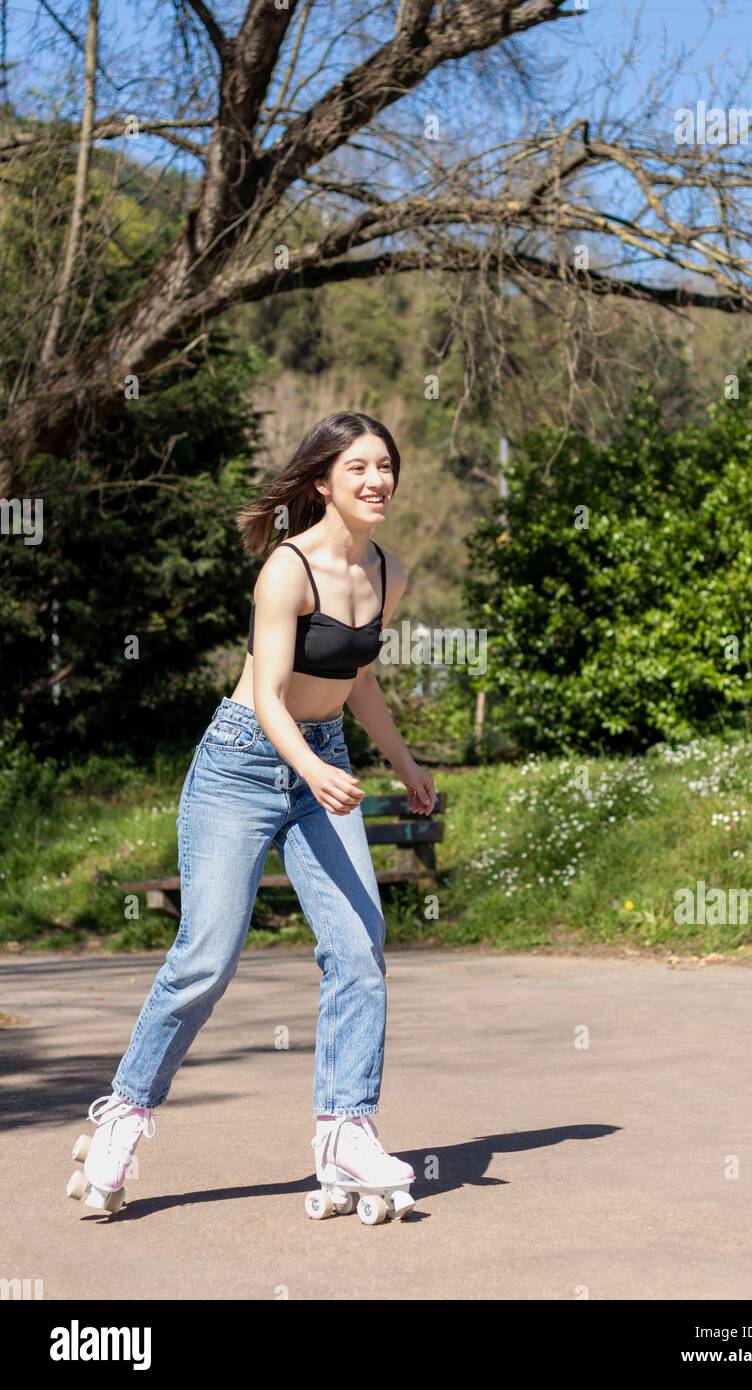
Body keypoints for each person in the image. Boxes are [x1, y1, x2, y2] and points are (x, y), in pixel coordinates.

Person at [66, 411, 436, 1224]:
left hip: (324, 763)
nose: (378, 481)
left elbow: (358, 679)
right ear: (321, 483)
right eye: (359, 469)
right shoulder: (286, 570)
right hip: (241, 765)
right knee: (206, 956)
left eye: (386, 467)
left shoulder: (389, 573)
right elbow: (268, 696)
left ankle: (345, 1127)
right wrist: (310, 768)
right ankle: (125, 1113)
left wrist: (404, 765)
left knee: (358, 946)